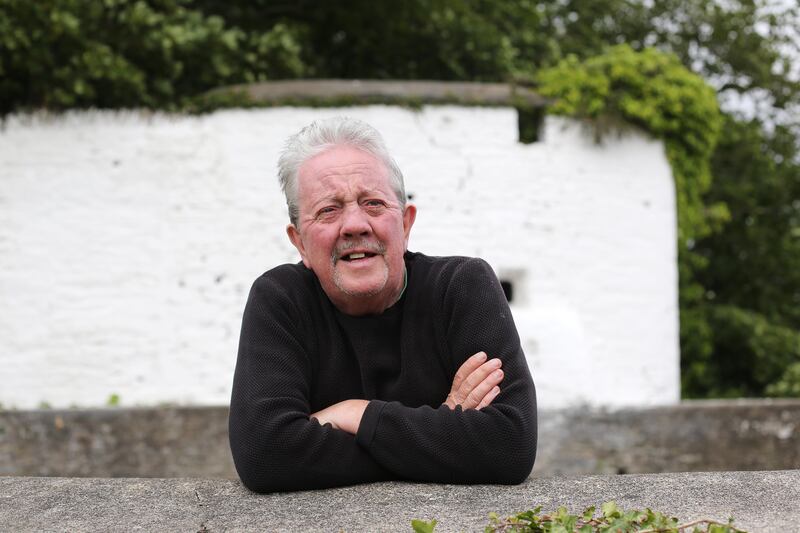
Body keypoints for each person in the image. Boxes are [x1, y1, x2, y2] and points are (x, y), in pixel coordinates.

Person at [228, 117, 537, 493]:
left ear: (405, 225)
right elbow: (266, 453)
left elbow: (509, 444)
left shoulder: (461, 287)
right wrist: (440, 431)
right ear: (299, 243)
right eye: (328, 210)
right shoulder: (281, 300)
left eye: (373, 204)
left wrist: (354, 414)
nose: (354, 224)